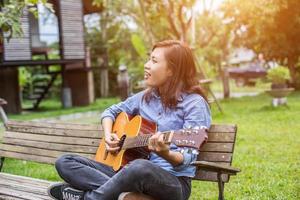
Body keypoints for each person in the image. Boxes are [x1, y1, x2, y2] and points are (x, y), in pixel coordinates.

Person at [48, 40, 211, 200]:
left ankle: (87, 197)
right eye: (149, 59)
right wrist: (108, 135)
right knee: (65, 161)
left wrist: (166, 154)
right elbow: (110, 112)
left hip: (173, 183)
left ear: (172, 71)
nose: (146, 65)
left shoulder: (195, 104)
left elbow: (187, 159)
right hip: (128, 175)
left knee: (140, 167)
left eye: (154, 61)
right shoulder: (144, 98)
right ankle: (125, 196)